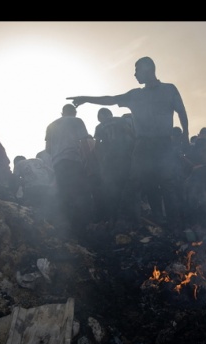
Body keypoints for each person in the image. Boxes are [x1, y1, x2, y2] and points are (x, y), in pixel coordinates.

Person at [67, 56, 189, 231]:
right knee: (146, 182)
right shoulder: (135, 95)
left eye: (137, 70)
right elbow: (111, 99)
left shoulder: (169, 90)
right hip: (143, 145)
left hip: (163, 144)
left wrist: (185, 134)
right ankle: (157, 221)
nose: (134, 74)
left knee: (168, 183)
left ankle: (174, 223)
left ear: (148, 69)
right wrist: (86, 98)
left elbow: (181, 112)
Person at [44, 103, 93, 239]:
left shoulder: (51, 125)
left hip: (58, 164)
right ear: (74, 112)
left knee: (64, 195)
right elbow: (84, 142)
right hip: (73, 161)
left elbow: (48, 149)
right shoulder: (76, 121)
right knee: (80, 193)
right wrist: (89, 161)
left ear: (62, 112)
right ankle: (82, 229)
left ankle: (67, 230)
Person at [93, 107, 135, 223]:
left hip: (109, 161)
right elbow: (130, 133)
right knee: (126, 186)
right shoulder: (120, 120)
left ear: (100, 117)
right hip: (124, 157)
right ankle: (129, 217)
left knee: (112, 189)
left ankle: (114, 218)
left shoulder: (99, 127)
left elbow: (96, 147)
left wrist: (101, 161)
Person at [11, 155, 56, 220]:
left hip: (32, 189)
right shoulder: (38, 160)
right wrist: (51, 185)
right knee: (46, 210)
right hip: (46, 187)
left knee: (31, 210)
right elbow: (52, 172)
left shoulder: (18, 163)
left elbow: (15, 180)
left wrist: (13, 194)